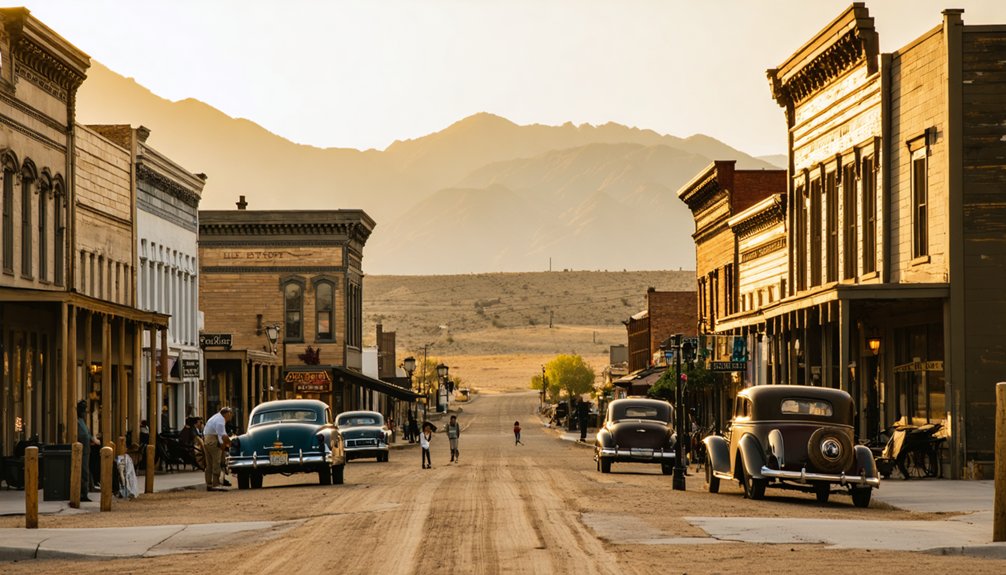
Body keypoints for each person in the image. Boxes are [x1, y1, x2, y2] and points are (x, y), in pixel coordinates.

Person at [203, 407, 233, 491]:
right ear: (226, 414)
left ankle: (209, 484)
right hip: (213, 441)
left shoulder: (215, 417)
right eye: (230, 414)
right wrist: (229, 444)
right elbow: (222, 436)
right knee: (217, 462)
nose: (230, 416)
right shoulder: (220, 421)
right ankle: (215, 484)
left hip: (206, 440)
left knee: (209, 463)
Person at [76, 400, 99, 502]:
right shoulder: (77, 422)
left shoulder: (82, 422)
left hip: (86, 450)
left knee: (85, 472)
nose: (84, 412)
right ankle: (82, 493)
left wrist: (92, 440)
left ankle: (85, 492)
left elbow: (87, 434)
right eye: (82, 410)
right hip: (80, 450)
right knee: (83, 472)